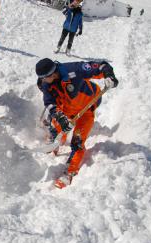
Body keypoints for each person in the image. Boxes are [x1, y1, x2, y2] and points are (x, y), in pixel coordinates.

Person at [35, 58, 118, 189]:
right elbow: (49, 103)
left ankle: (69, 171)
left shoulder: (73, 69)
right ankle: (55, 141)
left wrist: (109, 75)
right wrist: (61, 118)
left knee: (77, 142)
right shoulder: (45, 84)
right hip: (66, 108)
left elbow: (101, 65)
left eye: (44, 78)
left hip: (87, 107)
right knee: (55, 125)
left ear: (52, 74)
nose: (43, 81)